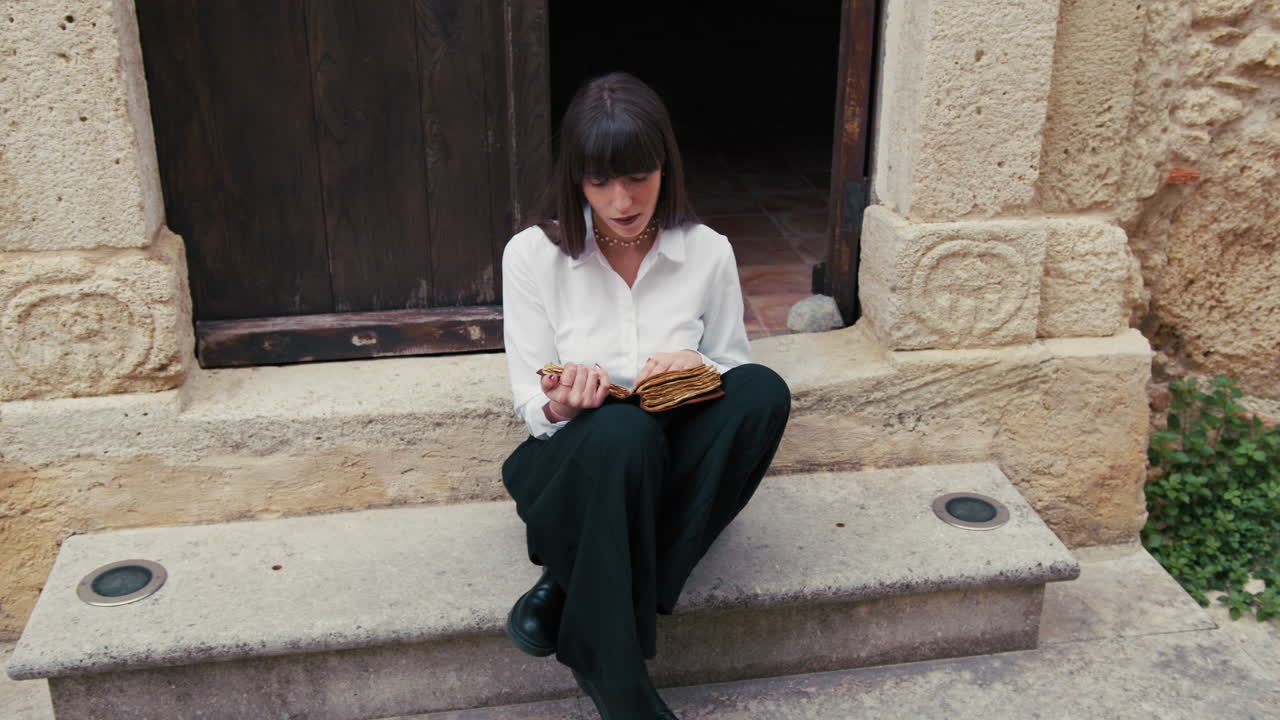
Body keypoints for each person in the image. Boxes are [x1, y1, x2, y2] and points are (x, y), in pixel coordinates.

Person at [500, 71, 791, 720]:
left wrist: (697, 364)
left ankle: (569, 587)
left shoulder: (707, 253)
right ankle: (615, 674)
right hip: (571, 469)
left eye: (638, 176)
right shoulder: (532, 257)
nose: (622, 199)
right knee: (621, 431)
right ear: (575, 177)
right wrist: (565, 402)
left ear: (666, 166)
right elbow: (529, 401)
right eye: (599, 180)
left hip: (666, 466)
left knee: (763, 390)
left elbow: (733, 367)